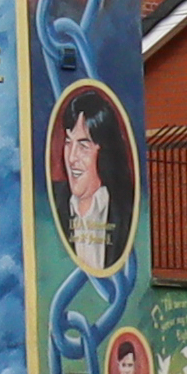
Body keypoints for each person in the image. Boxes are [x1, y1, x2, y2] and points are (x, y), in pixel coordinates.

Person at [52, 90, 132, 274]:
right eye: (68, 142)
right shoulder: (51, 205)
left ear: (104, 151)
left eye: (83, 145)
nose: (71, 157)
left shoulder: (126, 209)